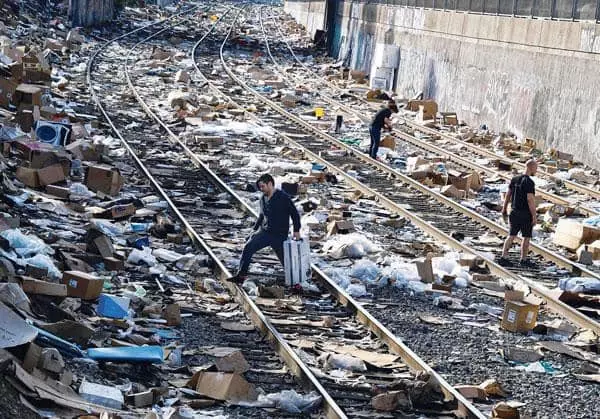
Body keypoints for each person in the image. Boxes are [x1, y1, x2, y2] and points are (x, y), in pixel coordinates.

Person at [228, 174, 301, 284]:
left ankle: (296, 284)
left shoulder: (283, 197)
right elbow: (261, 216)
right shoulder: (263, 198)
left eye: (263, 186)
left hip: (280, 235)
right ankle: (241, 275)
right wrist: (254, 229)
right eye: (260, 187)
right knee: (248, 247)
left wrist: (296, 230)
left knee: (286, 261)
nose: (261, 189)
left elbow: (295, 214)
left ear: (270, 184)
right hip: (265, 233)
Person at [498, 159, 538, 267]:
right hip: (525, 214)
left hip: (514, 212)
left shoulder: (515, 179)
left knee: (511, 235)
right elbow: (530, 199)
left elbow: (508, 195)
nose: (537, 170)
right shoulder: (529, 182)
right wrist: (534, 216)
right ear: (531, 168)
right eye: (536, 168)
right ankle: (523, 259)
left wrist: (504, 208)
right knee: (526, 237)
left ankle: (504, 257)